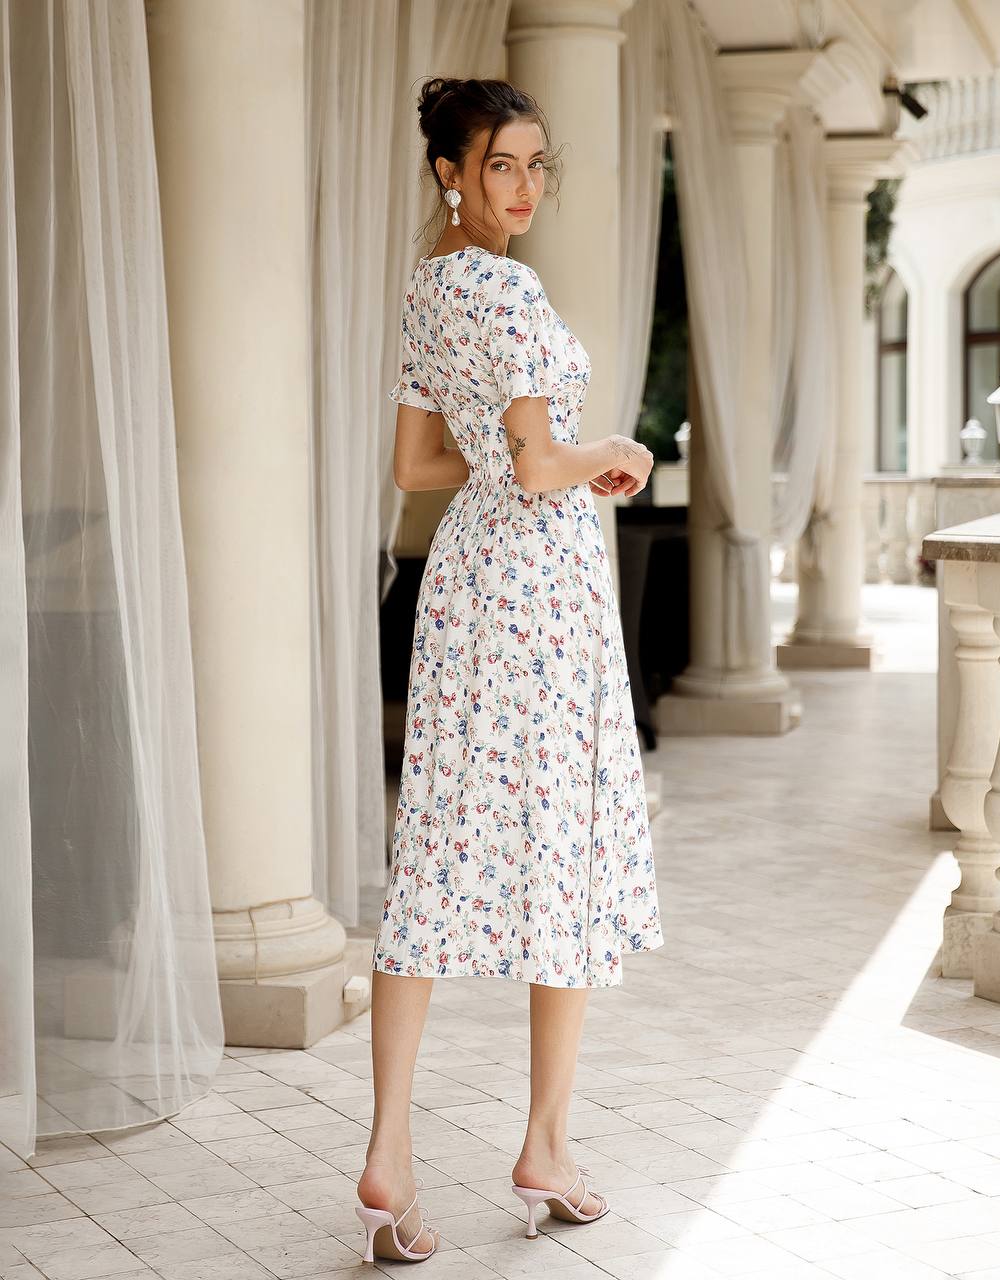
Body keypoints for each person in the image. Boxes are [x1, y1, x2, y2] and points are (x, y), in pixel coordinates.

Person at [355, 76, 665, 1265]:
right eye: (503, 165)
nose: (526, 186)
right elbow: (539, 469)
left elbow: (419, 467)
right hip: (537, 584)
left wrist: (525, 457)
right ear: (451, 171)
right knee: (562, 845)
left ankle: (390, 1152)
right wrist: (614, 450)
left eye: (540, 164)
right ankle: (544, 1139)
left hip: (467, 581)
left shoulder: (431, 286)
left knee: (435, 846)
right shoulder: (505, 284)